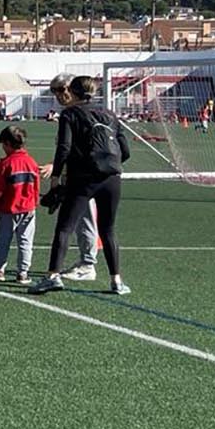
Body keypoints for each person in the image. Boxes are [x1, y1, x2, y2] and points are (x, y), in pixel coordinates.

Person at [32, 76, 131, 296]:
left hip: (83, 178)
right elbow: (125, 151)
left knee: (64, 227)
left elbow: (64, 148)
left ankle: (52, 276)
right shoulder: (110, 114)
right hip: (112, 178)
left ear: (73, 92)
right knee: (108, 230)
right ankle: (116, 281)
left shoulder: (69, 114)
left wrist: (57, 176)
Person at [0, 126, 44, 285]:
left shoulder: (6, 163)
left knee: (3, 240)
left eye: (3, 145)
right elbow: (36, 186)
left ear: (8, 144)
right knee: (26, 241)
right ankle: (23, 273)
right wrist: (34, 203)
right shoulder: (31, 162)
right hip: (28, 208)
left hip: (8, 209)